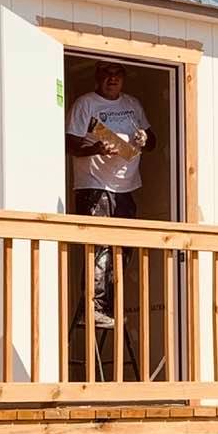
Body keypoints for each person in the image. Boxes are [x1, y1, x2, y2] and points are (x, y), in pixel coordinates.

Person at [66, 60, 157, 328]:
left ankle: (107, 307)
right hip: (94, 186)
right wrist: (96, 149)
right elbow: (70, 143)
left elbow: (152, 141)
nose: (112, 78)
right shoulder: (86, 104)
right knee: (99, 249)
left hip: (126, 187)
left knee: (122, 250)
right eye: (107, 74)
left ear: (123, 78)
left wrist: (142, 138)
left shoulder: (132, 105)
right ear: (98, 77)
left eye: (117, 74)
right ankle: (92, 308)